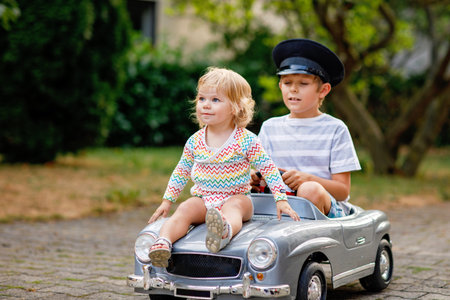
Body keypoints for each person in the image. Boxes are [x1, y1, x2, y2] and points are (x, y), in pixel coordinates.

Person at [148, 67, 299, 268]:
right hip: (204, 198)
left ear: (236, 107)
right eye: (202, 99)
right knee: (185, 209)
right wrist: (167, 201)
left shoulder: (246, 140)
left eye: (215, 100)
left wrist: (281, 198)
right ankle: (163, 242)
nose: (206, 105)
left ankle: (224, 231)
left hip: (237, 197)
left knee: (234, 208)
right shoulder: (195, 141)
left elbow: (268, 168)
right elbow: (181, 171)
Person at [251, 38, 361, 218]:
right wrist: (255, 179)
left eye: (303, 84)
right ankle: (228, 228)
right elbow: (260, 172)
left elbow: (342, 191)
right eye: (287, 83)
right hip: (277, 206)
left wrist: (307, 179)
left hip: (326, 211)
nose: (293, 89)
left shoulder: (335, 129)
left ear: (323, 90)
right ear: (280, 86)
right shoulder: (270, 127)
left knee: (309, 190)